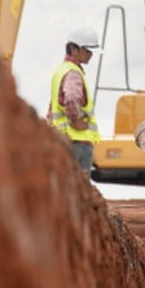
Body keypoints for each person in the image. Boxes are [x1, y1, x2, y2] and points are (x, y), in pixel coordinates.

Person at [47, 27, 101, 177]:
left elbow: (53, 106)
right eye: (87, 50)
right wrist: (75, 121)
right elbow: (71, 98)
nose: (91, 54)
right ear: (74, 49)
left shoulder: (62, 70)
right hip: (77, 142)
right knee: (78, 188)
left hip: (64, 140)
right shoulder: (73, 73)